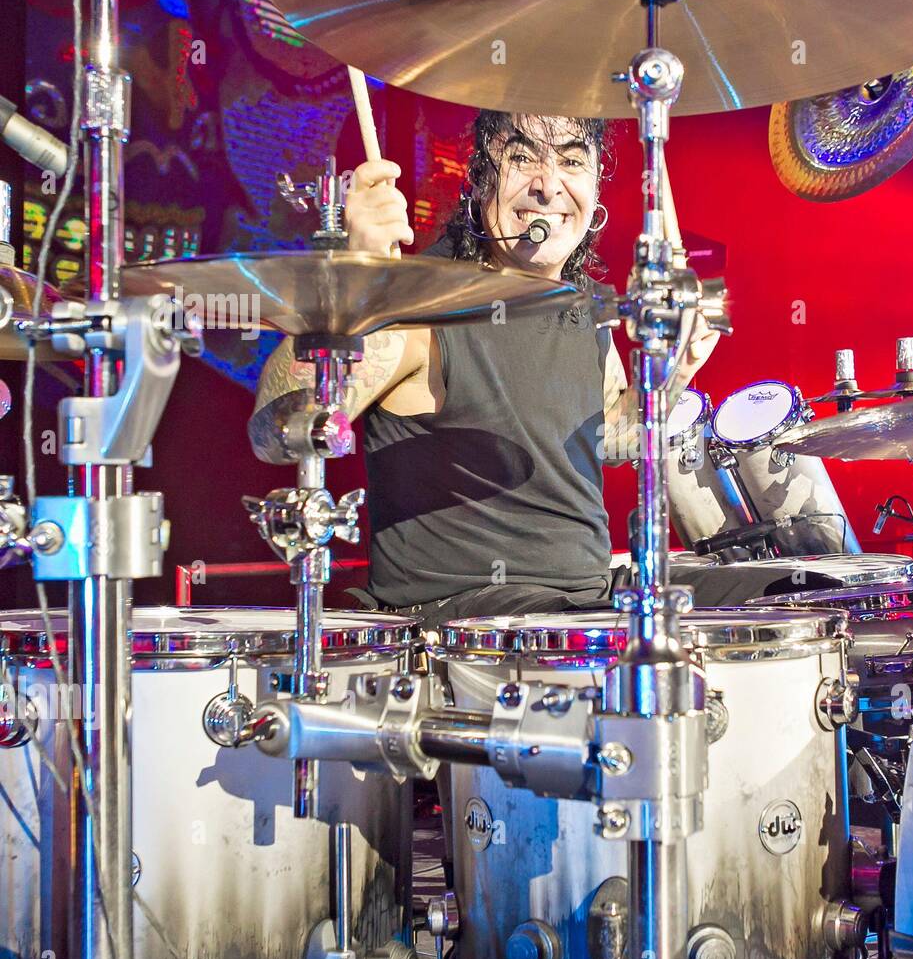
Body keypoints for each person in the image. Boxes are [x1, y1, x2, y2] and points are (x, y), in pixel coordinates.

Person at [251, 110, 808, 625]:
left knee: (797, 593)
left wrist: (669, 378)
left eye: (571, 160)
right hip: (467, 621)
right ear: (476, 179)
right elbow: (277, 432)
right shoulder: (419, 303)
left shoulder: (583, 305)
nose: (548, 184)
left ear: (595, 191)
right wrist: (358, 280)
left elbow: (611, 436)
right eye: (521, 157)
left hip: (583, 600)